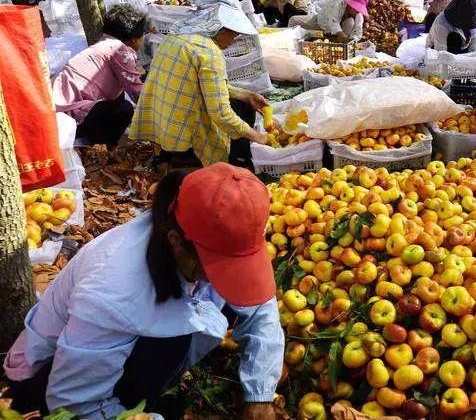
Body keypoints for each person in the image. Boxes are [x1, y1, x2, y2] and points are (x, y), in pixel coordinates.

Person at [3, 163, 284, 420]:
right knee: (165, 345)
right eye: (218, 265)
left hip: (102, 360)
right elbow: (72, 404)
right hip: (53, 383)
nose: (228, 277)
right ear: (175, 240)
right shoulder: (113, 293)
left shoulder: (206, 231)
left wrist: (259, 393)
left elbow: (260, 306)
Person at [129, 0, 269, 170]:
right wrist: (258, 137)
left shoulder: (177, 36)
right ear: (219, 27)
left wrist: (245, 95)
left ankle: (169, 160)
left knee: (241, 106)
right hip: (184, 135)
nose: (233, 40)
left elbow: (202, 85)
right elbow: (221, 113)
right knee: (228, 130)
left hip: (162, 126)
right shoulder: (209, 52)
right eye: (233, 34)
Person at [52, 4, 147, 147]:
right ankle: (102, 148)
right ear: (134, 38)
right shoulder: (119, 50)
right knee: (124, 109)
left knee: (119, 98)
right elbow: (137, 94)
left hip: (58, 110)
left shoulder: (105, 43)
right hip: (70, 117)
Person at [289, 0, 368, 42]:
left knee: (350, 23)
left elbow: (358, 29)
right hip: (320, 22)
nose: (358, 12)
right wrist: (342, 36)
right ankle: (290, 44)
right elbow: (333, 22)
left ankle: (337, 43)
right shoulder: (338, 2)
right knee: (293, 20)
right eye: (356, 9)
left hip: (337, 31)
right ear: (351, 6)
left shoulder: (358, 13)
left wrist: (353, 40)